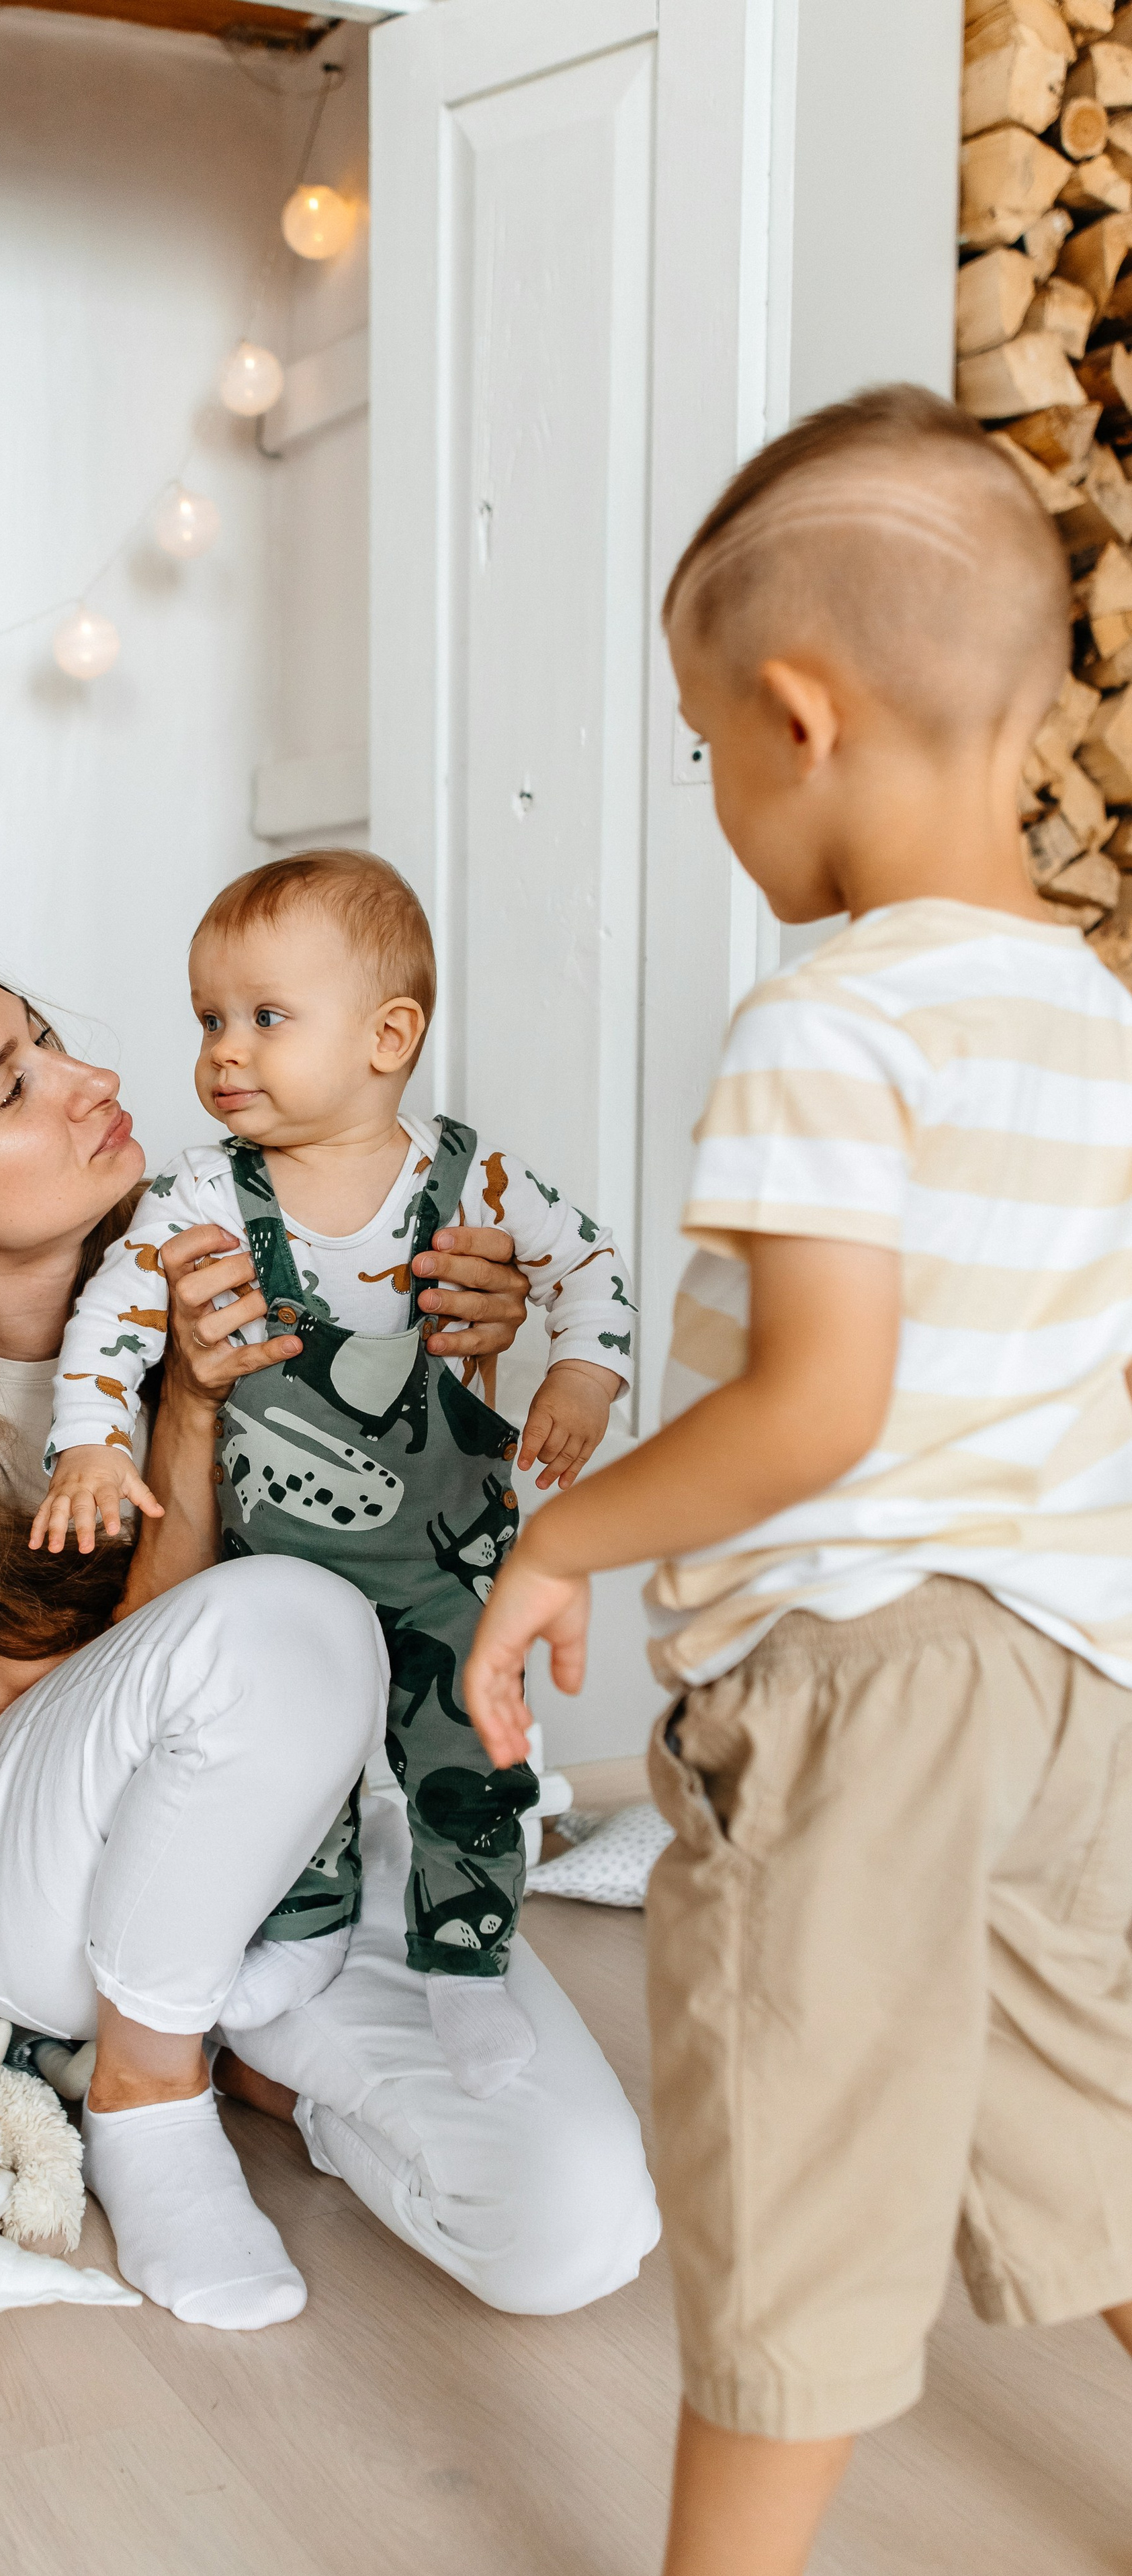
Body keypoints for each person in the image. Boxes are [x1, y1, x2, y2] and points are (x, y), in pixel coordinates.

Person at [463, 384, 1132, 2573]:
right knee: (1094, 2135)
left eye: (702, 745)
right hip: (1081, 1682)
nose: (718, 796)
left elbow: (818, 1406)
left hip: (859, 1680)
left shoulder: (826, 1025)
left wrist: (562, 1528)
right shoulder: (1095, 1017)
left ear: (799, 718)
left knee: (795, 2178)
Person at [0, 950, 657, 2333]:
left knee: (570, 2229)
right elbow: (124, 1689)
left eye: (50, 1038)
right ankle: (146, 2095)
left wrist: (462, 1355)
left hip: (276, 1860)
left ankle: (248, 2064)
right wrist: (190, 1417)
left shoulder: (217, 1252)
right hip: (23, 1891)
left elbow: (411, 1544)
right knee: (290, 1616)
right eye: (11, 1087)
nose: (91, 1078)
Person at [36, 852, 632, 2098]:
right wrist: (92, 1440)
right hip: (276, 1574)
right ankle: (296, 1933)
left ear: (388, 1035)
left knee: (468, 1757)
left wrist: (581, 1378)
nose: (222, 1054)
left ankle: (465, 1963)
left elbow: (592, 1275)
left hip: (450, 1560)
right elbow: (112, 1323)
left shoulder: (476, 1184)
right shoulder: (201, 1193)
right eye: (208, 1021)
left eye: (264, 1018)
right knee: (285, 1765)